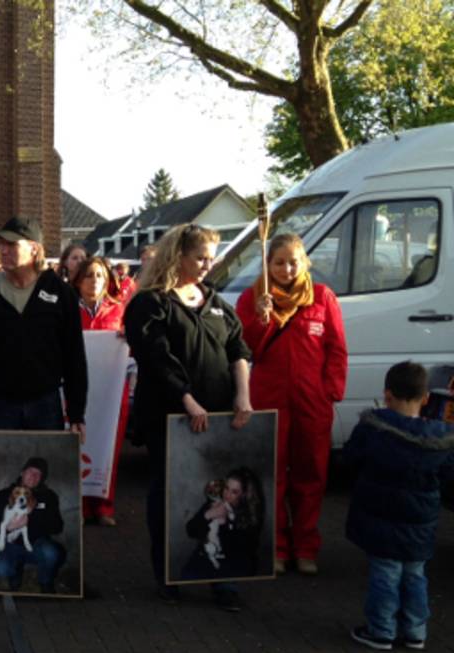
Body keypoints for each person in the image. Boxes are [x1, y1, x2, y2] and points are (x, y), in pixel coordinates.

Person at [123, 223, 253, 612]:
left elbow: (237, 348)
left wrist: (243, 394)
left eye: (211, 258)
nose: (206, 265)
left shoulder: (215, 302)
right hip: (170, 417)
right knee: (170, 492)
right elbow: (155, 356)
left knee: (220, 493)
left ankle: (221, 575)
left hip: (217, 415)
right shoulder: (151, 303)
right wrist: (186, 399)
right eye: (200, 257)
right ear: (177, 256)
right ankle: (171, 570)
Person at [236, 234, 347, 576]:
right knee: (271, 475)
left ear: (305, 263)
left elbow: (337, 349)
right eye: (279, 262)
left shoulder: (322, 297)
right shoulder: (252, 297)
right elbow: (243, 348)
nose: (287, 269)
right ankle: (277, 547)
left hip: (312, 403)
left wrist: (329, 391)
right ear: (268, 264)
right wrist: (260, 319)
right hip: (269, 398)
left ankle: (306, 546)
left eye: (293, 261)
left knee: (310, 476)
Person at [345, 362, 454, 651]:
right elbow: (448, 477)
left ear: (387, 394)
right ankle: (416, 630)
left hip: (380, 516)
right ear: (427, 397)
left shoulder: (373, 429)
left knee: (385, 572)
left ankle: (382, 630)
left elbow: (351, 460)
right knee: (415, 573)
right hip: (421, 521)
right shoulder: (441, 439)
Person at [0, 216, 87, 443]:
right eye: (1, 244)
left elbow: (74, 356)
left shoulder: (61, 292)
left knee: (43, 474)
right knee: (0, 476)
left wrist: (76, 413)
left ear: (34, 249)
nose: (3, 250)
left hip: (45, 403)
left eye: (12, 245)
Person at [72, 256, 127, 526]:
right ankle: (80, 505)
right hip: (78, 391)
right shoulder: (69, 311)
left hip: (111, 390)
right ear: (79, 281)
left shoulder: (119, 311)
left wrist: (128, 338)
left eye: (100, 276)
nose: (95, 281)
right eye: (89, 275)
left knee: (109, 447)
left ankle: (104, 506)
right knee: (78, 444)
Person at [0, 458, 67, 593]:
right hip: (11, 544)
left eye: (38, 474)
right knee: (1, 569)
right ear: (22, 473)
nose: (33, 476)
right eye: (30, 471)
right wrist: (9, 527)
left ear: (42, 478)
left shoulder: (49, 496)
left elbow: (58, 527)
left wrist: (31, 519)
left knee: (52, 552)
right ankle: (14, 577)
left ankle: (45, 582)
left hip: (37, 545)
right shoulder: (6, 494)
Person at [179, 467, 265, 581]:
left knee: (227, 581)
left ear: (244, 495)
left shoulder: (250, 514)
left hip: (233, 565)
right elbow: (191, 530)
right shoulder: (215, 502)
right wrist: (208, 515)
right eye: (226, 488)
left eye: (234, 492)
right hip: (205, 560)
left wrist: (225, 524)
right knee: (188, 575)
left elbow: (243, 552)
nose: (227, 495)